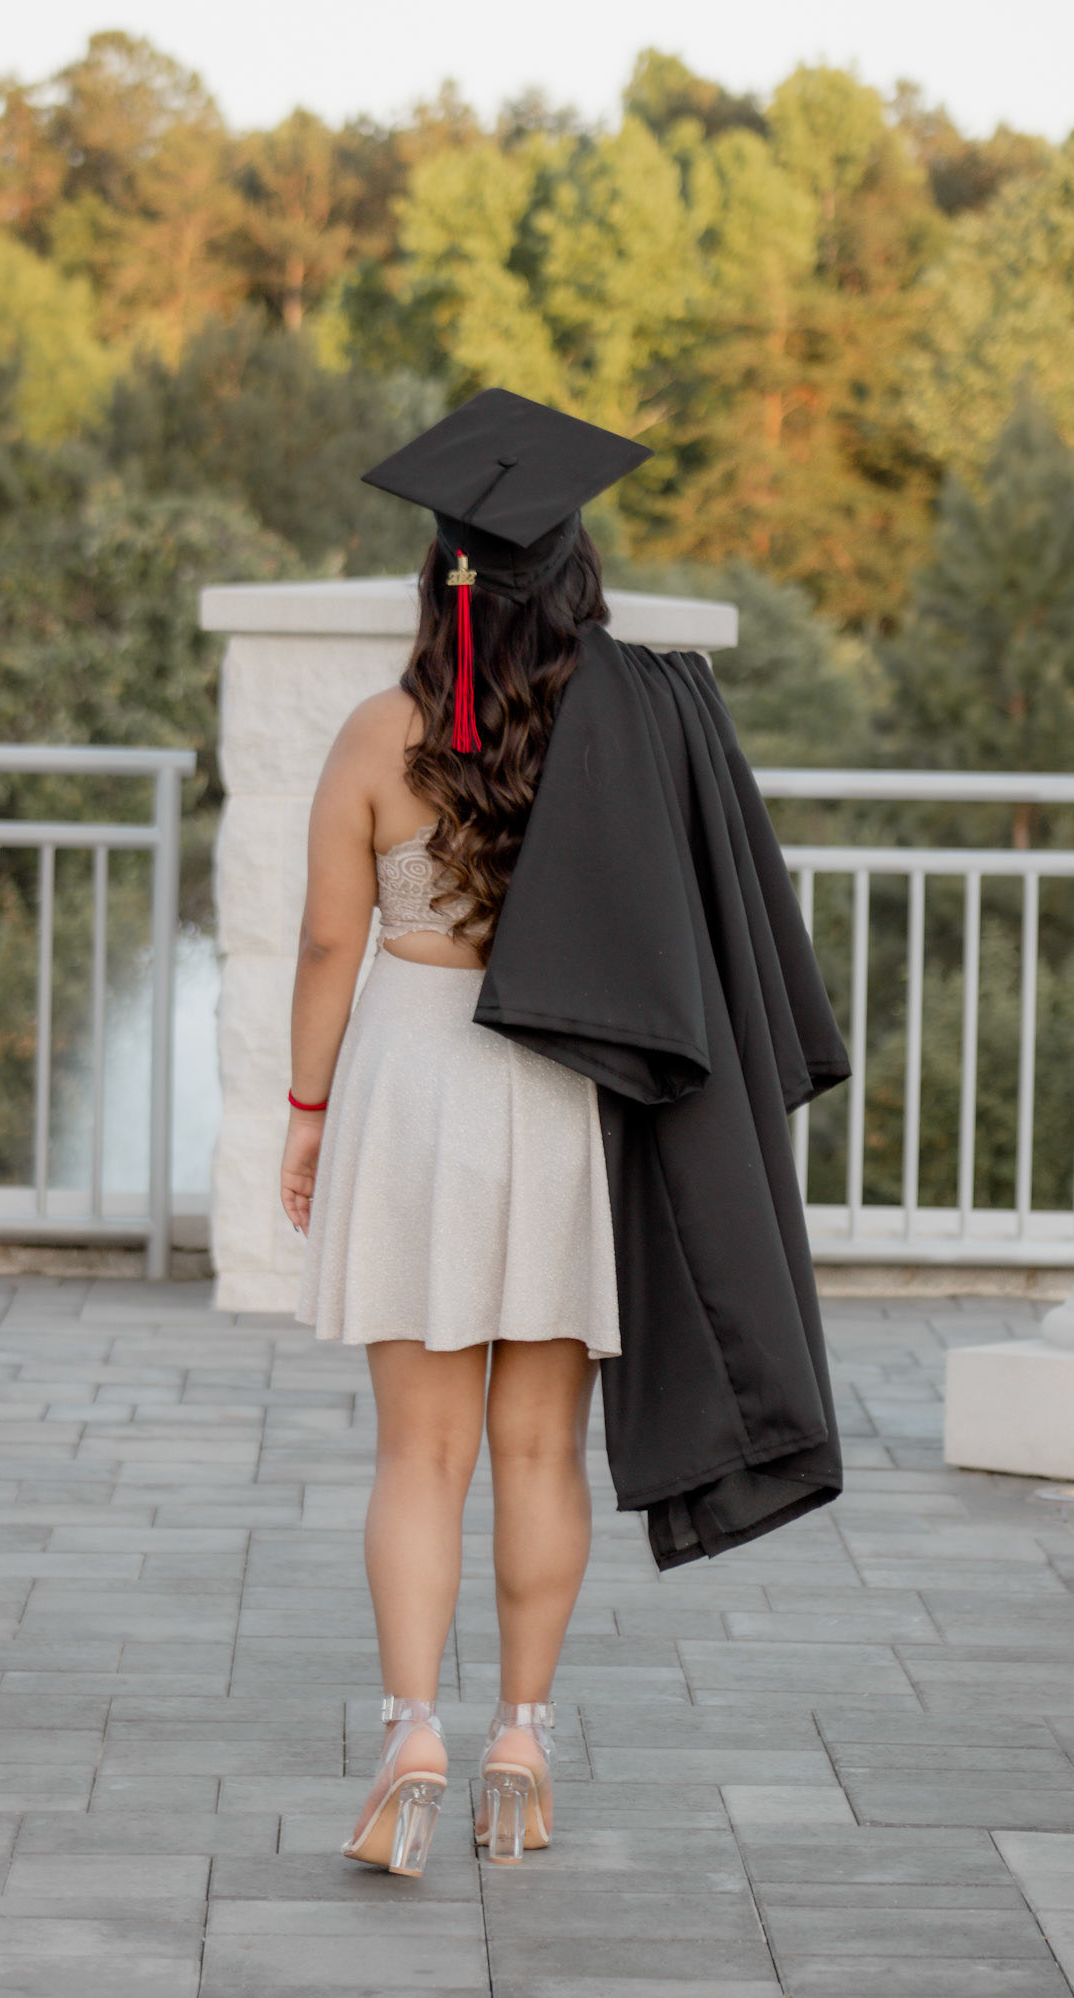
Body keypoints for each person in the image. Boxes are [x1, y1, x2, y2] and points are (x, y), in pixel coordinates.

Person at [279, 389, 849, 1879]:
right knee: (540, 1448)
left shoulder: (379, 736)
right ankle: (521, 1742)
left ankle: (411, 1735)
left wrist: (305, 1115)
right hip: (560, 1101)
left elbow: (329, 949)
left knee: (421, 1454)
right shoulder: (633, 726)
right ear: (573, 574)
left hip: (414, 1088)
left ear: (441, 579)